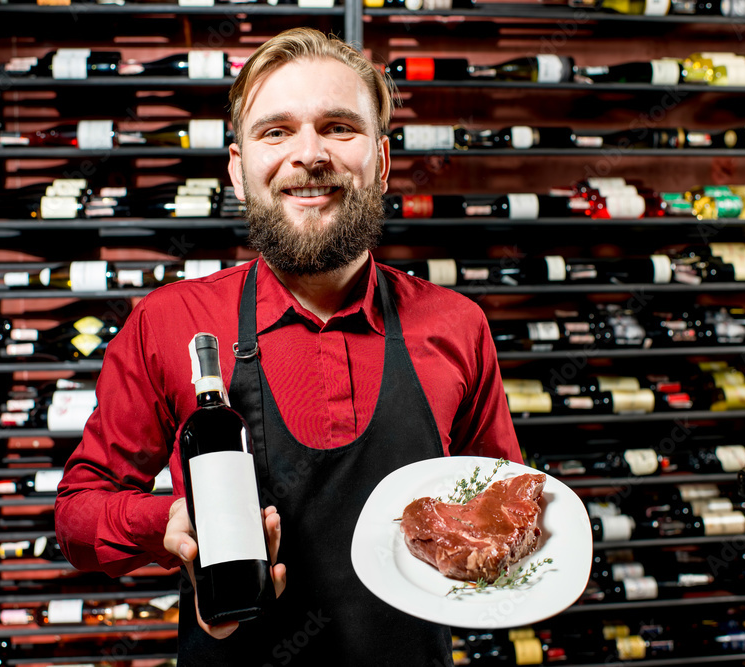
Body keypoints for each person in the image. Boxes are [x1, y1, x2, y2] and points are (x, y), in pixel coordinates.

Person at [55, 26, 522, 666]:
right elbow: (80, 514)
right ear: (239, 170)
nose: (310, 154)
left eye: (339, 127)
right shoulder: (169, 322)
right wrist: (168, 524)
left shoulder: (457, 324)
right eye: (276, 132)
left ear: (381, 163)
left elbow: (499, 500)